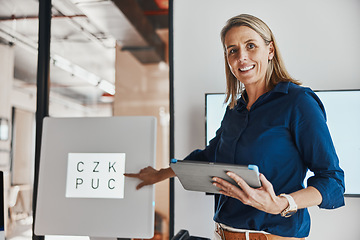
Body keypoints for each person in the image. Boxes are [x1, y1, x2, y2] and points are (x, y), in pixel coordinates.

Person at [125, 14, 345, 240]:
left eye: (251, 46)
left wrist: (282, 203)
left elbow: (333, 181)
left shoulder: (298, 102)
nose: (242, 57)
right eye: (233, 50)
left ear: (270, 51)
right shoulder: (234, 110)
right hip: (224, 234)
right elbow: (211, 156)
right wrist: (160, 174)